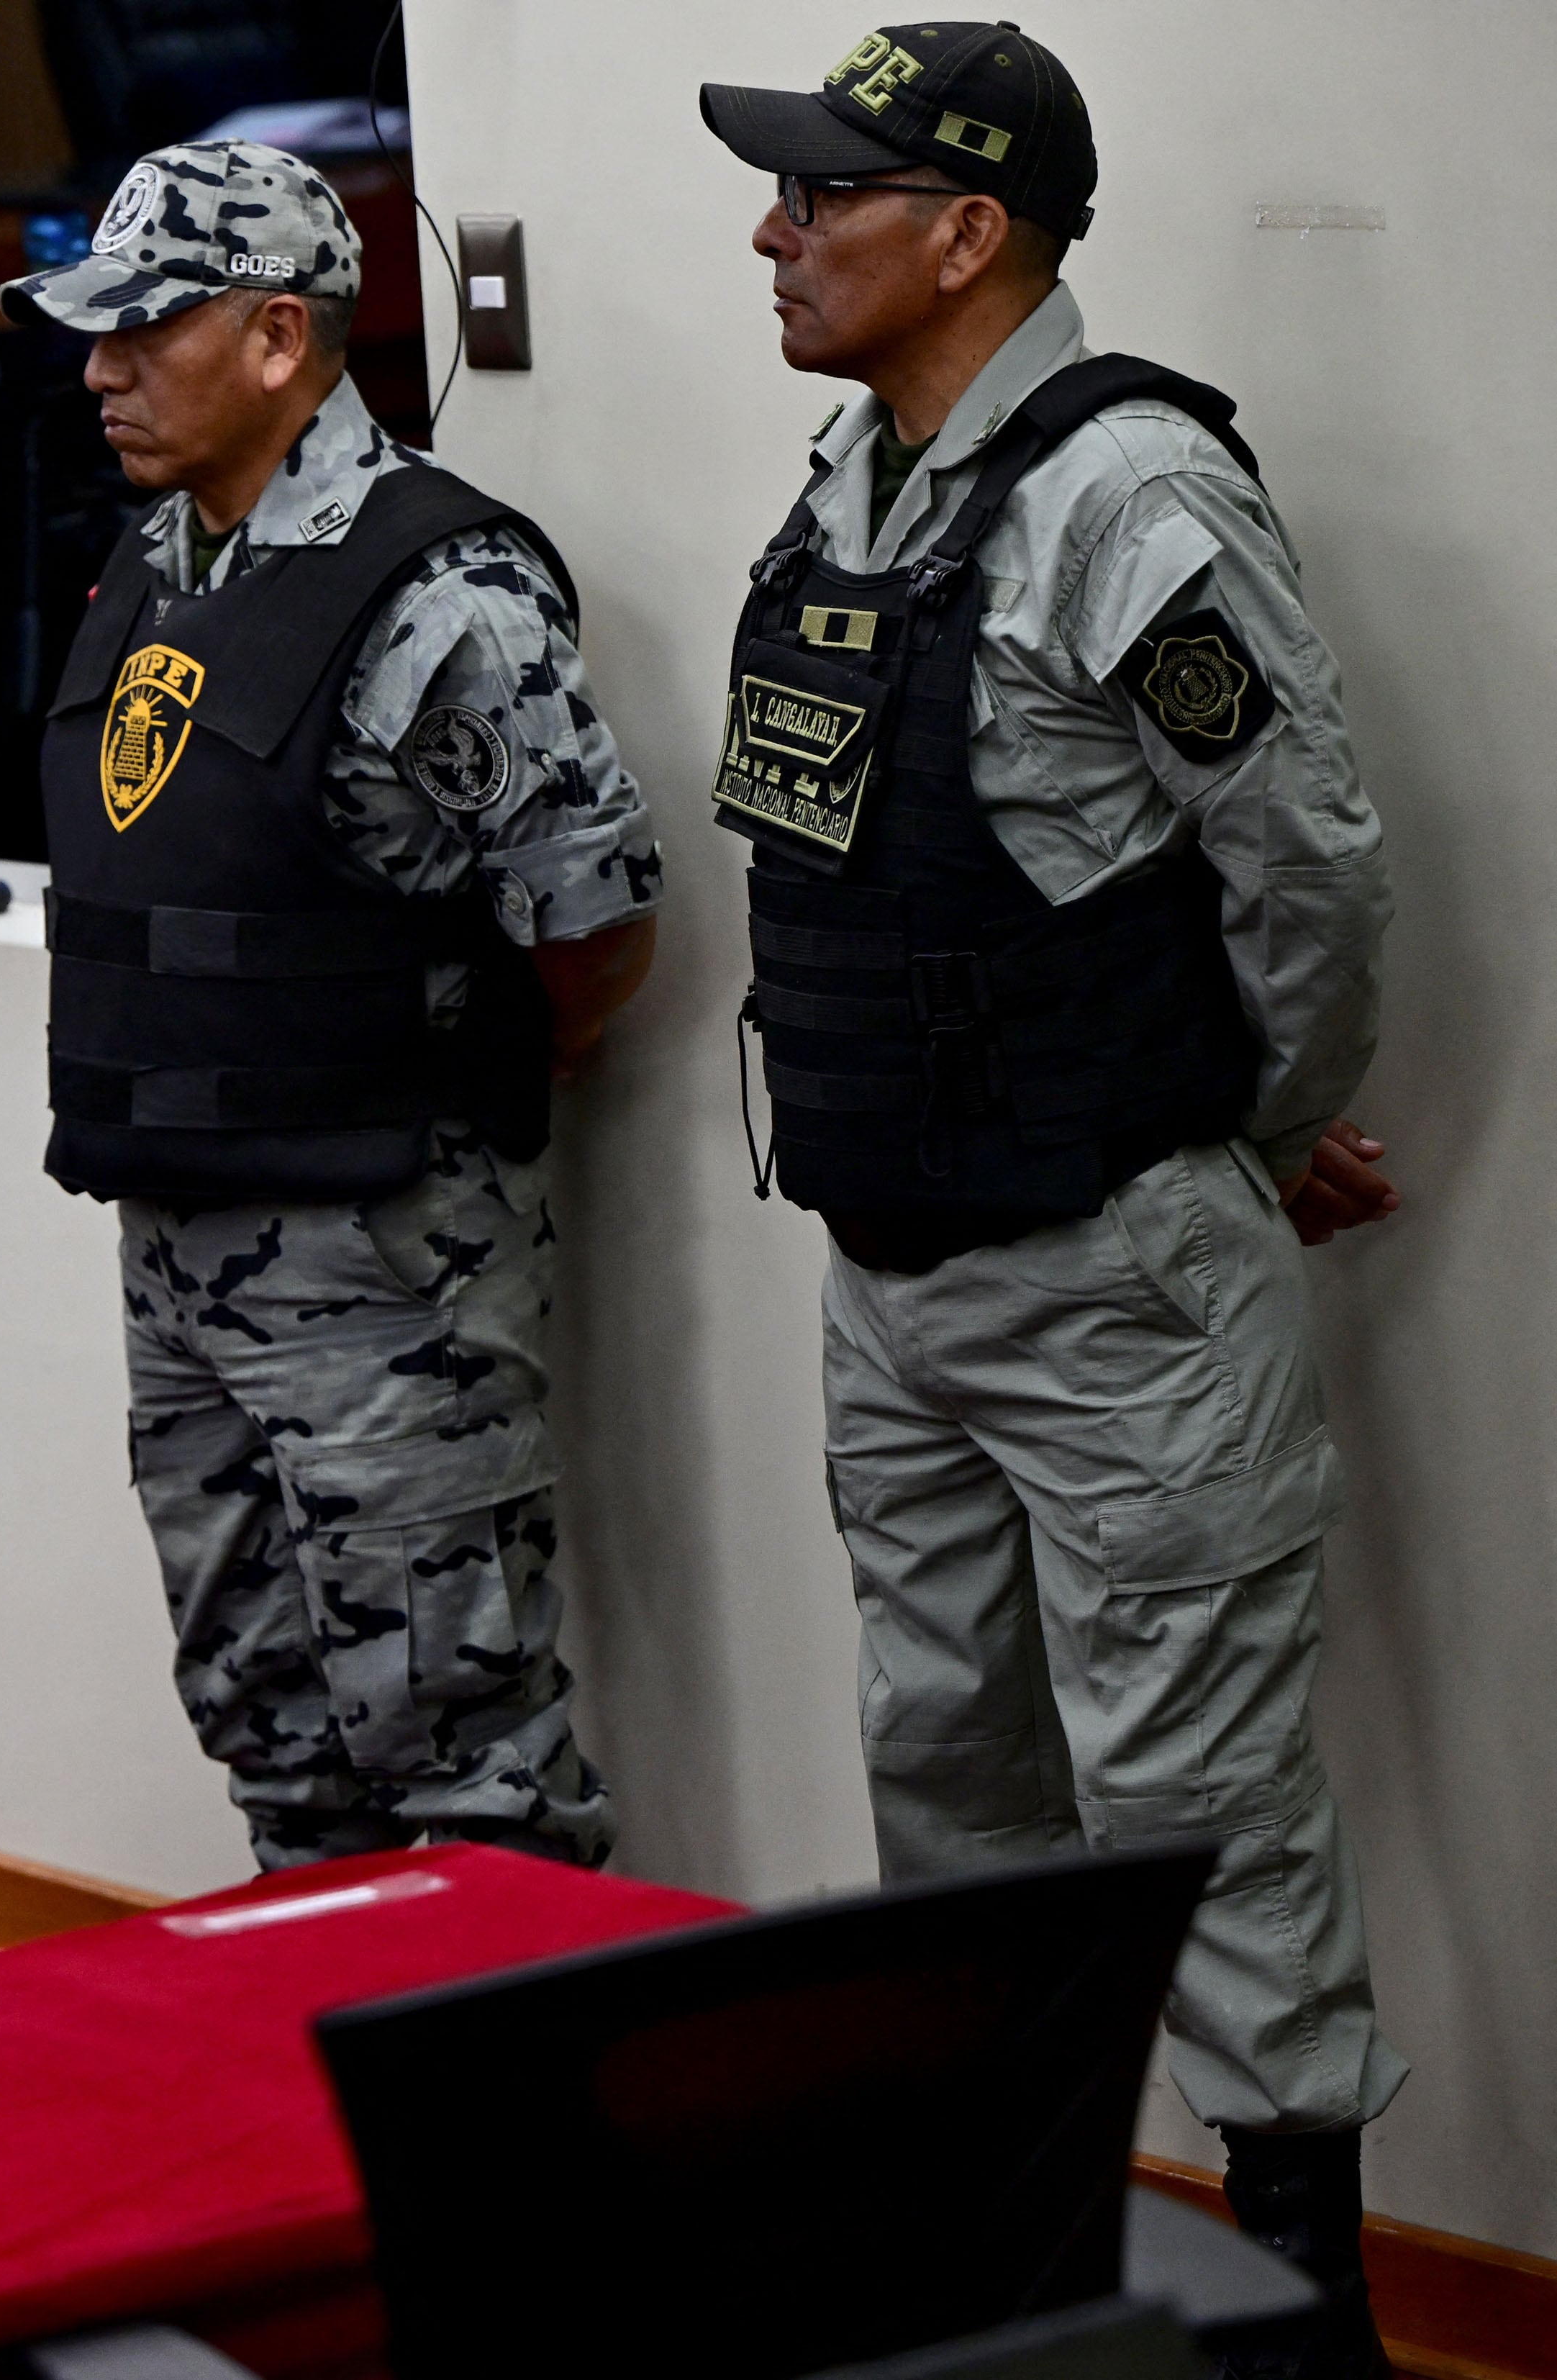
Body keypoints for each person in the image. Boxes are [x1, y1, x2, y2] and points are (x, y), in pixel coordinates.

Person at [701, 26, 1400, 2374]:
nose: (776, 233)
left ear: (969, 229)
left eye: (822, 196)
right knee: (947, 1791)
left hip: (1114, 1280)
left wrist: (1251, 1123)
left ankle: (1306, 2321)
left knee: (1209, 1834)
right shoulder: (850, 481)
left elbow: (1309, 859)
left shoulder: (1131, 497)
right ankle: (1014, 2305)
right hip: (889, 1276)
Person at [0, 141, 660, 1873]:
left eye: (143, 330)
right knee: (269, 1731)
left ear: (280, 341)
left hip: (383, 1268)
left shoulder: (435, 593)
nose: (98, 369)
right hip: (178, 1245)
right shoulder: (155, 559)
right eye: (91, 333)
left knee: (459, 1758)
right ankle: (329, 2129)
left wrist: (446, 1062)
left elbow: (588, 923)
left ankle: (506, 2142)